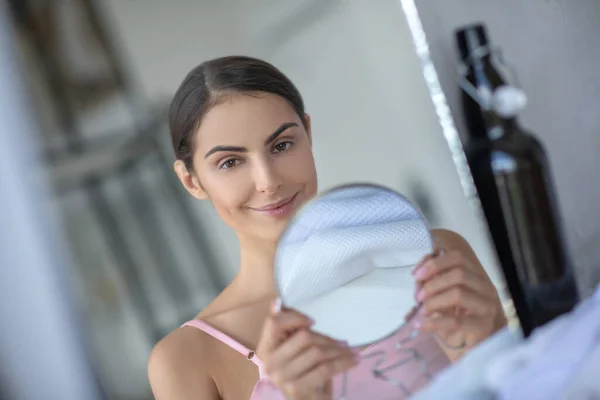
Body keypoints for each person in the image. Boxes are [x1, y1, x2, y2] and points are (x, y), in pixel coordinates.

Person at [147, 56, 507, 399]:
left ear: (308, 133)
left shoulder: (434, 257)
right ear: (192, 181)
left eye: (282, 145)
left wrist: (484, 349)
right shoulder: (188, 359)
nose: (267, 181)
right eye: (230, 162)